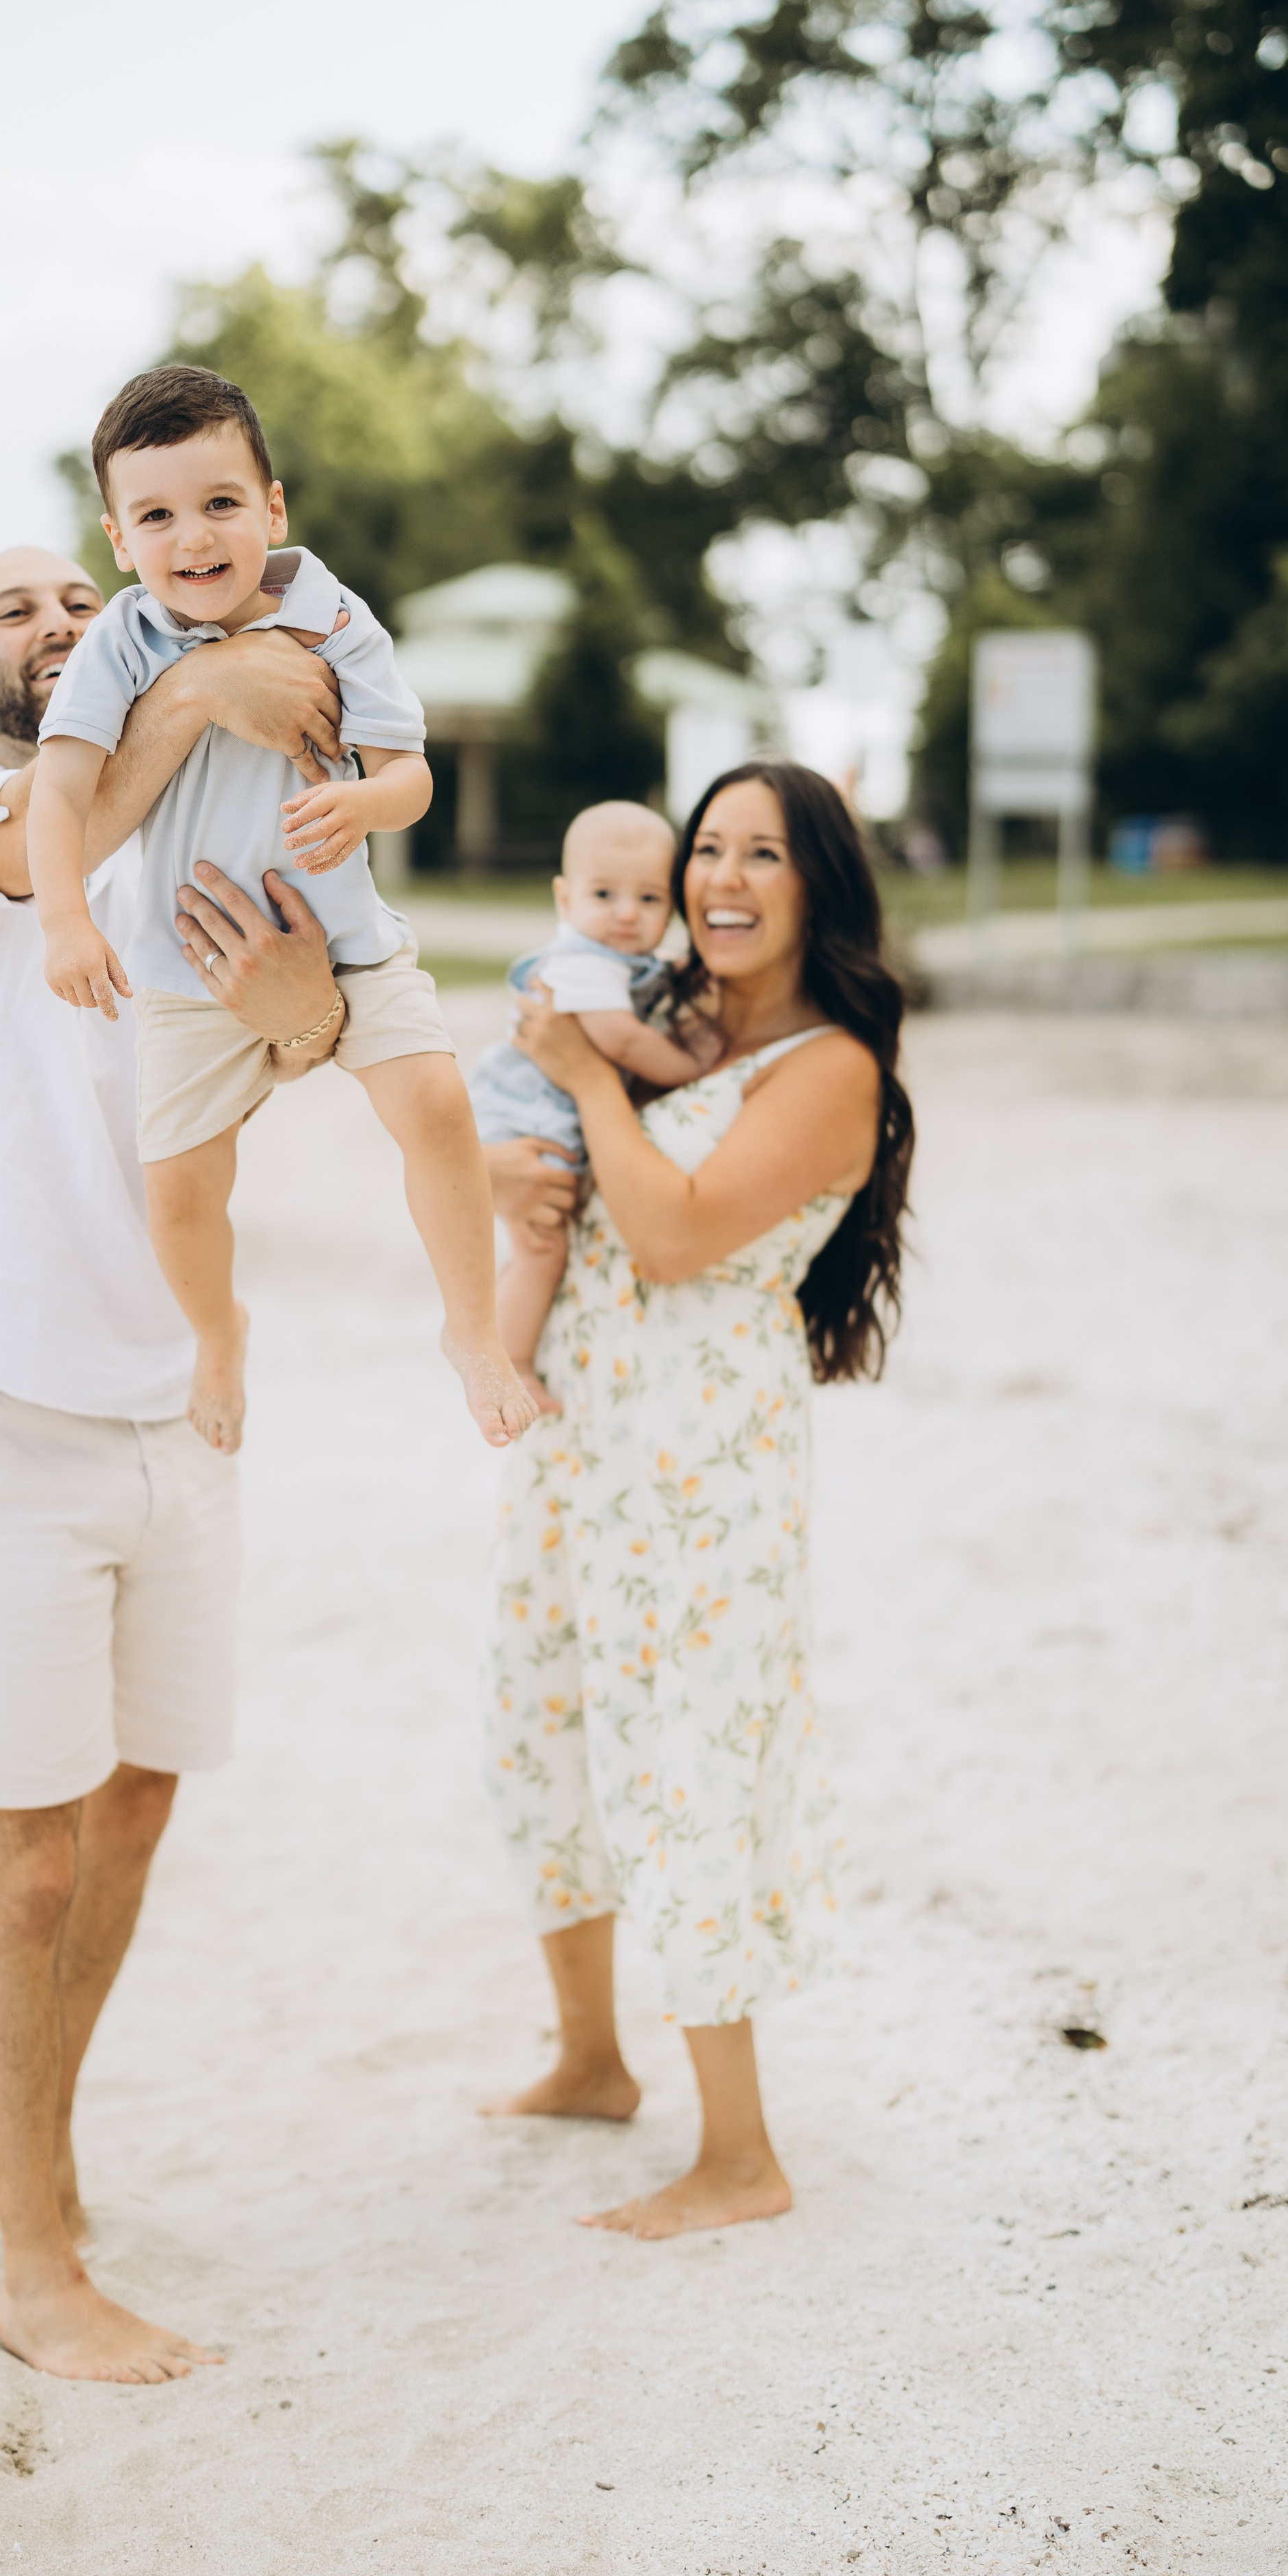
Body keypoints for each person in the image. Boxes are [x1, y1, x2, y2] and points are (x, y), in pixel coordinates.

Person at [0, 542, 383, 2385]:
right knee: (21, 1870)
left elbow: (294, 1044)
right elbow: (44, 837)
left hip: (180, 1403)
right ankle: (32, 2267)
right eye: (9, 612)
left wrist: (303, 1007)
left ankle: (46, 2176)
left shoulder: (185, 842)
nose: (53, 622)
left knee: (140, 1811)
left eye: (80, 597)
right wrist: (192, 696)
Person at [479, 762, 914, 2240]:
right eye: (705, 851)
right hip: (584, 1438)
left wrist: (589, 1078)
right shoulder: (667, 1015)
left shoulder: (828, 1067)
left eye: (761, 856)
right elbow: (558, 1161)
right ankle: (590, 2060)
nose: (721, 881)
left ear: (817, 885)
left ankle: (739, 2156)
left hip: (701, 1467)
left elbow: (667, 1238)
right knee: (545, 1720)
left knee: (691, 1762)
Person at [25, 364, 535, 1457]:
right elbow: (60, 791)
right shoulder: (120, 639)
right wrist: (66, 921)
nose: (192, 537)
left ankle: (474, 1331)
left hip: (348, 946)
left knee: (441, 1111)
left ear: (273, 509)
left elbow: (414, 776)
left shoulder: (337, 619)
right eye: (155, 515)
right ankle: (218, 1333)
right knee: (180, 1193)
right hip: (184, 965)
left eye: (219, 504)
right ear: (119, 539)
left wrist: (368, 800)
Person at [469, 799, 720, 1412]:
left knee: (540, 1245)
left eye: (650, 899)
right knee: (541, 1247)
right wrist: (693, 1066)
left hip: (541, 1113)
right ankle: (507, 1361)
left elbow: (655, 978)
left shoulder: (617, 960)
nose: (627, 915)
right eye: (604, 895)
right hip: (529, 1121)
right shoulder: (579, 963)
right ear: (565, 899)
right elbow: (623, 1040)